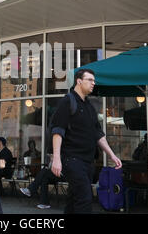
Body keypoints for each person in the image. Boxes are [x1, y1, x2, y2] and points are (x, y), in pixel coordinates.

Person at [50, 69, 122, 214]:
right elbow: (58, 131)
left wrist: (112, 155)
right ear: (79, 81)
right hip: (72, 159)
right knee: (84, 199)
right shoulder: (67, 101)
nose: (93, 83)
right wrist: (56, 159)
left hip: (88, 162)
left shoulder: (90, 106)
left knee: (73, 200)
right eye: (90, 80)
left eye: (94, 81)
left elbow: (98, 135)